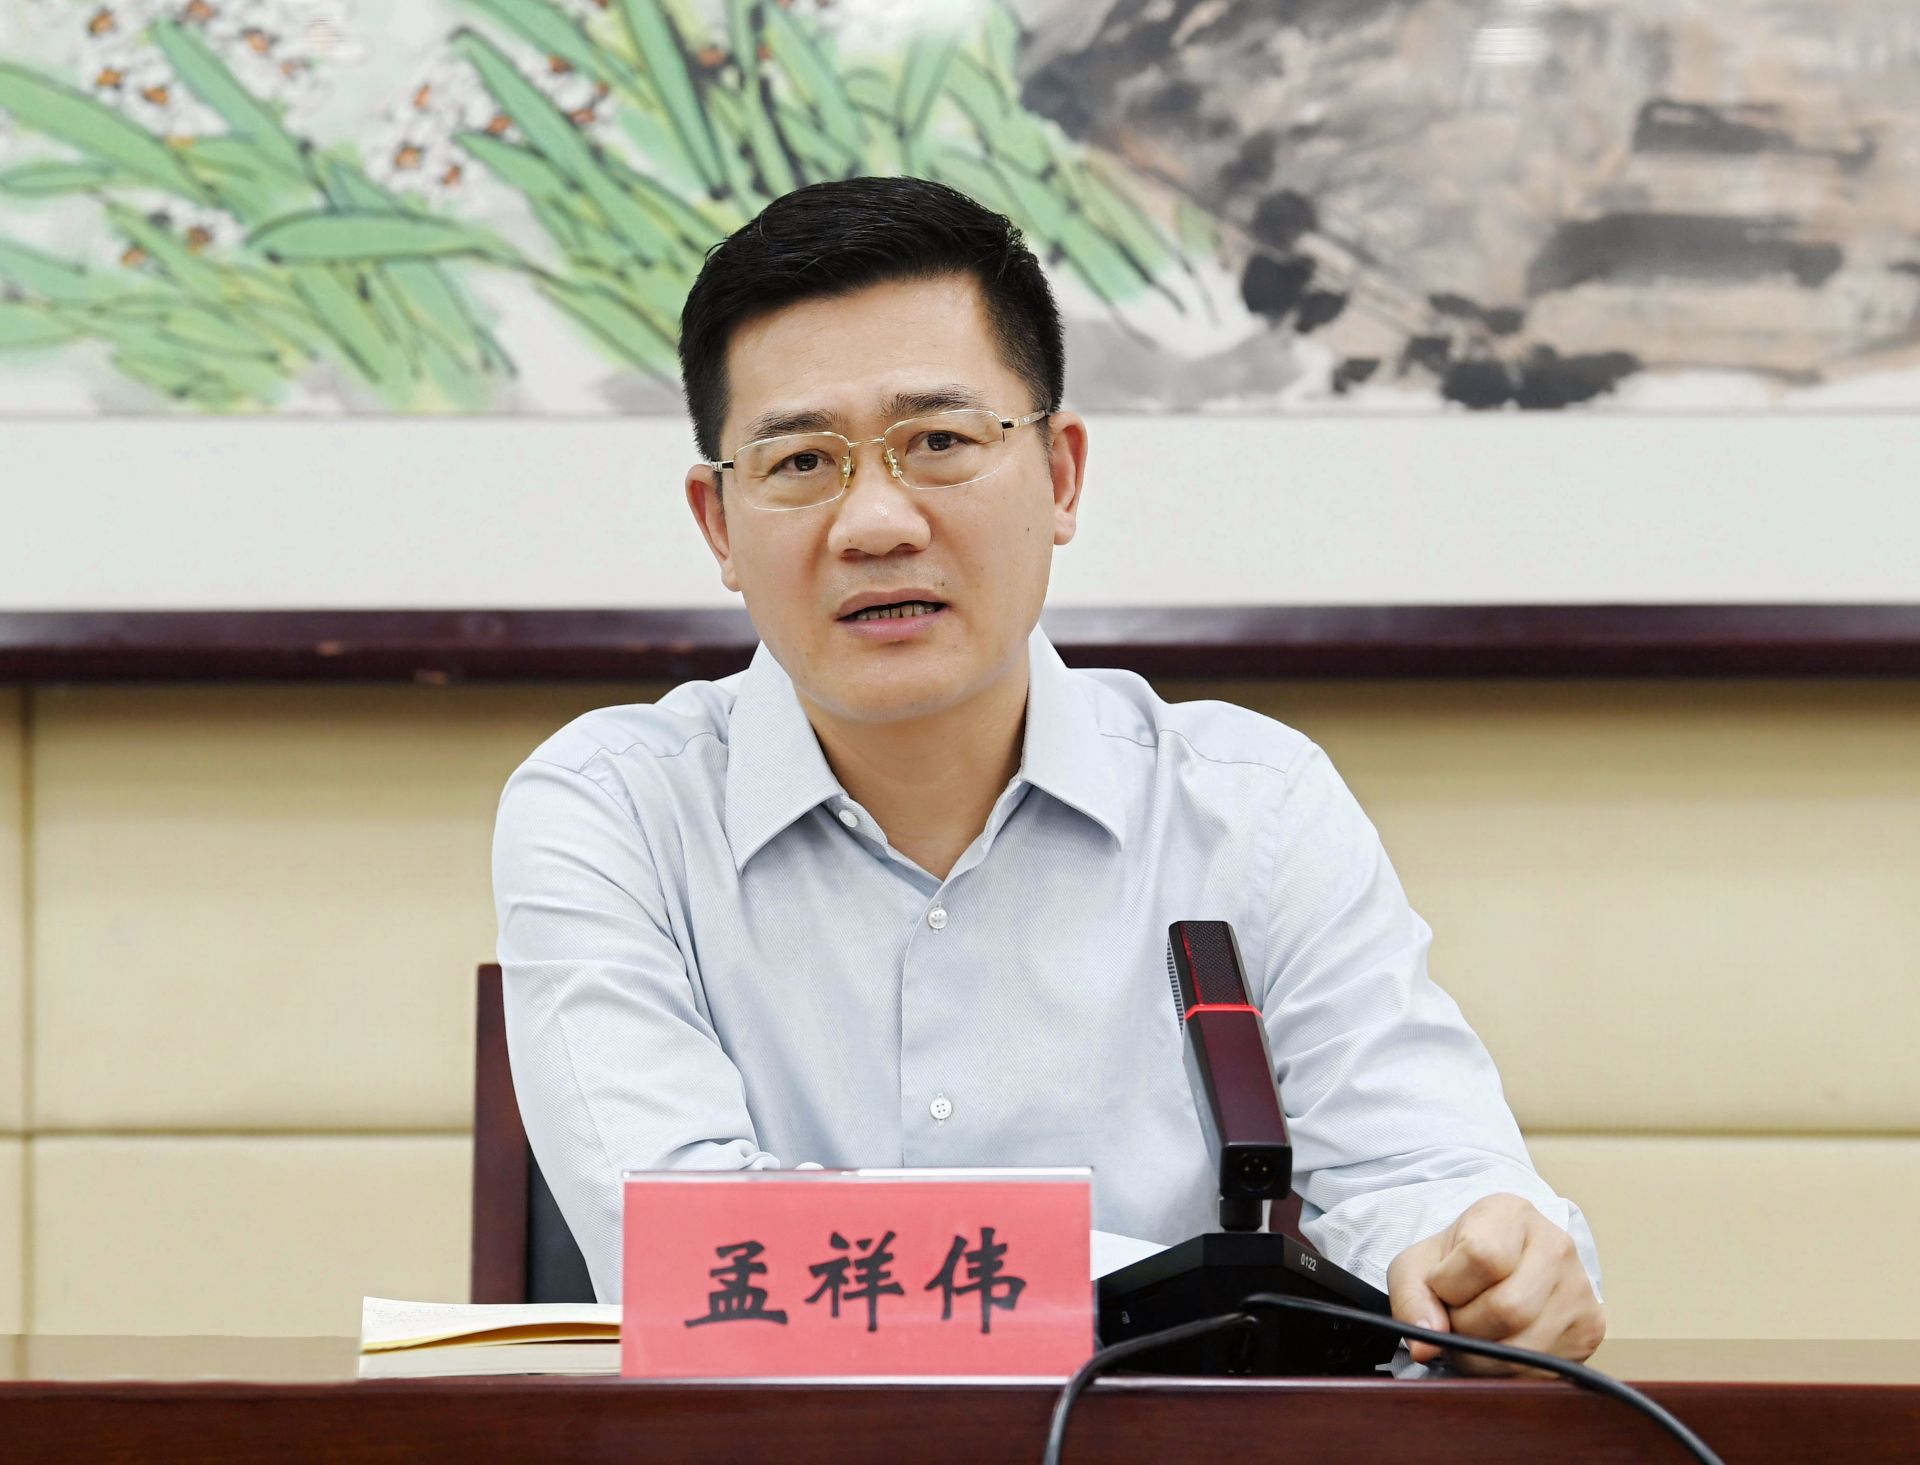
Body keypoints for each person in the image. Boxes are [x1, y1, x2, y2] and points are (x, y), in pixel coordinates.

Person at [492, 176, 1605, 1374]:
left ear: (1062, 476)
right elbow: (687, 1247)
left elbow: (1422, 1175)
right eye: (802, 460)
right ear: (719, 523)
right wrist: (1169, 1291)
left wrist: (1485, 1262)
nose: (875, 523)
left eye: (939, 443)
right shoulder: (612, 811)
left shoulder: (1254, 808)